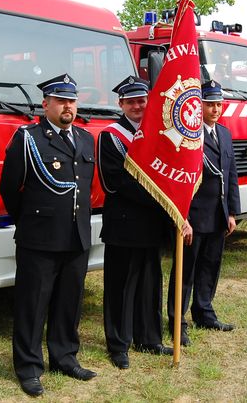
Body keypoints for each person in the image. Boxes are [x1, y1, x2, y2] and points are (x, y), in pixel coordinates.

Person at [0, 74, 97, 397]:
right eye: (60, 100)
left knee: (70, 302)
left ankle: (64, 356)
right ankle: (28, 367)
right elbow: (9, 189)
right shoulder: (28, 139)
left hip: (76, 237)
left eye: (71, 100)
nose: (67, 106)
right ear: (46, 104)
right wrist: (30, 221)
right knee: (33, 305)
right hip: (39, 239)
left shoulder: (84, 139)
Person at [98, 76, 174, 370]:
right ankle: (119, 344)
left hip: (152, 225)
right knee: (120, 287)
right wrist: (159, 196)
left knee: (149, 284)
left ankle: (149, 338)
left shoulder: (158, 133)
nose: (137, 106)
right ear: (121, 104)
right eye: (130, 101)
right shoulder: (111, 136)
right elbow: (113, 182)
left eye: (141, 100)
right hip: (125, 226)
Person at [167, 80, 241, 344]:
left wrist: (232, 211)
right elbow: (179, 179)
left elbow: (231, 175)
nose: (215, 109)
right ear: (200, 106)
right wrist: (182, 216)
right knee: (185, 270)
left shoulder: (224, 134)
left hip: (218, 213)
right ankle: (178, 320)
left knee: (210, 266)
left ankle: (204, 311)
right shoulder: (188, 135)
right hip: (195, 215)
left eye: (219, 104)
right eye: (210, 104)